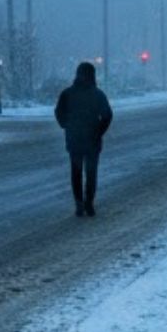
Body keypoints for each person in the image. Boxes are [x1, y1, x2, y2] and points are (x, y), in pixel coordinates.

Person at [55, 61, 114, 217]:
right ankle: (89, 203)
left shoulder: (67, 94)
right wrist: (99, 131)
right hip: (92, 139)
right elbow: (107, 115)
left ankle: (79, 203)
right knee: (91, 172)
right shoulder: (97, 94)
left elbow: (59, 112)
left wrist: (66, 125)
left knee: (76, 172)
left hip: (74, 139)